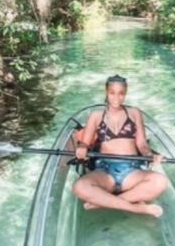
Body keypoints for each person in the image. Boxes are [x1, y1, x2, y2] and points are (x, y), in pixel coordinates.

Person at [71, 75, 168, 218]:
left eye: (121, 93)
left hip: (132, 170)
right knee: (79, 187)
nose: (116, 97)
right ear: (106, 92)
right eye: (112, 93)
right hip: (105, 171)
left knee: (161, 181)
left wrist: (150, 155)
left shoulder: (134, 113)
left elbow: (142, 144)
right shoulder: (96, 115)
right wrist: (82, 148)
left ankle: (102, 203)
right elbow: (84, 143)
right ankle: (135, 208)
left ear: (125, 93)